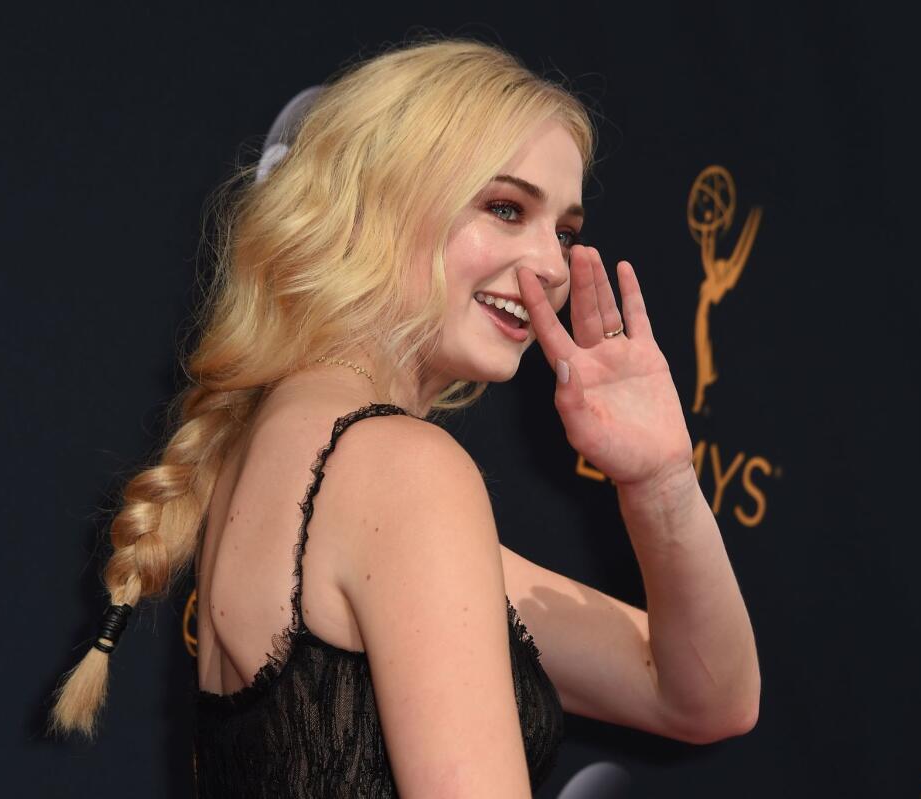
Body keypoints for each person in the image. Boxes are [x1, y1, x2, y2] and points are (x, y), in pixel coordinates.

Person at [48, 36, 761, 797]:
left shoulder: (305, 445)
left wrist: (660, 480)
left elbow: (704, 695)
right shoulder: (399, 469)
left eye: (564, 230)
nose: (553, 265)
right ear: (380, 201)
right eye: (505, 208)